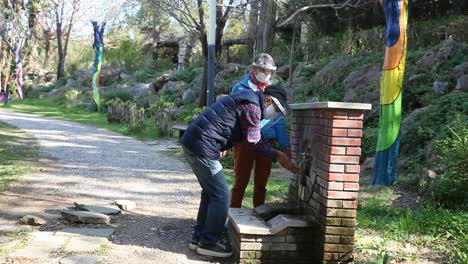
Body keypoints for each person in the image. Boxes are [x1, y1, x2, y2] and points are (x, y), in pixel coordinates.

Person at [181, 85, 301, 258]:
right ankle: (209, 243)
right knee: (222, 196)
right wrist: (278, 155)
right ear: (267, 100)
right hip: (202, 146)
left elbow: (229, 124)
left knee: (210, 193)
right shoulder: (252, 105)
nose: (275, 115)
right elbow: (254, 141)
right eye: (276, 109)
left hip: (195, 141)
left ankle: (199, 238)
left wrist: (223, 144)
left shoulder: (248, 99)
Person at [230, 53, 292, 208]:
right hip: (244, 141)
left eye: (269, 71)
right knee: (240, 181)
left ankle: (259, 213)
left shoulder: (273, 91)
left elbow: (278, 120)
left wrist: (285, 145)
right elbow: (233, 116)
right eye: (262, 70)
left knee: (261, 182)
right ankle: (232, 215)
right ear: (253, 69)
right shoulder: (239, 88)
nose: (265, 74)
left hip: (266, 141)